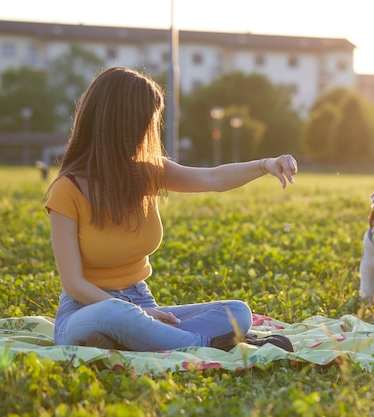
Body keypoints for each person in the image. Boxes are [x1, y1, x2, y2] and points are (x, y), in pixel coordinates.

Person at [45, 67, 297, 352]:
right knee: (116, 314)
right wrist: (140, 316)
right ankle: (208, 345)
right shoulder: (67, 190)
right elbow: (74, 283)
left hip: (140, 299)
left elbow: (213, 178)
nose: (148, 132)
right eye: (144, 123)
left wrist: (266, 165)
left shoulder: (146, 173)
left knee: (237, 312)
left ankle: (129, 340)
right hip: (85, 310)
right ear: (119, 125)